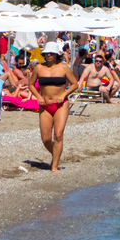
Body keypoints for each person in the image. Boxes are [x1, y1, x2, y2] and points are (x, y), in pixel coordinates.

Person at [28, 42, 79, 172]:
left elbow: (74, 84)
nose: (48, 55)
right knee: (45, 139)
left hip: (61, 104)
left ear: (57, 54)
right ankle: (56, 153)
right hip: (45, 105)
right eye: (46, 53)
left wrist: (64, 94)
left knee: (58, 135)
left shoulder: (63, 68)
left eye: (51, 53)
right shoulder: (39, 68)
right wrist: (38, 97)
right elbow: (31, 84)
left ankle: (54, 166)